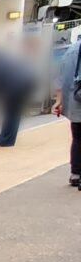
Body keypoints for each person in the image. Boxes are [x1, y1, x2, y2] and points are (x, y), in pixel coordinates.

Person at [0, 44, 37, 148]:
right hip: (23, 83)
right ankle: (3, 138)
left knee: (12, 113)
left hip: (19, 86)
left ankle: (7, 140)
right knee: (9, 112)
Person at [53, 37, 81, 186]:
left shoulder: (71, 50)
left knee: (77, 138)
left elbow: (60, 78)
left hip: (74, 101)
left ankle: (76, 174)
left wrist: (59, 100)